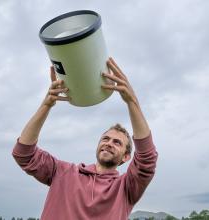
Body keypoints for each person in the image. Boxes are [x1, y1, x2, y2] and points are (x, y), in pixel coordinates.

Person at [12, 57, 158, 220]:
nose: (109, 143)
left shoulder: (127, 188)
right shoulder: (62, 172)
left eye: (117, 142)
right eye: (105, 139)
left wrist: (132, 101)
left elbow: (147, 160)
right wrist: (46, 105)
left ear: (126, 156)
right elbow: (23, 154)